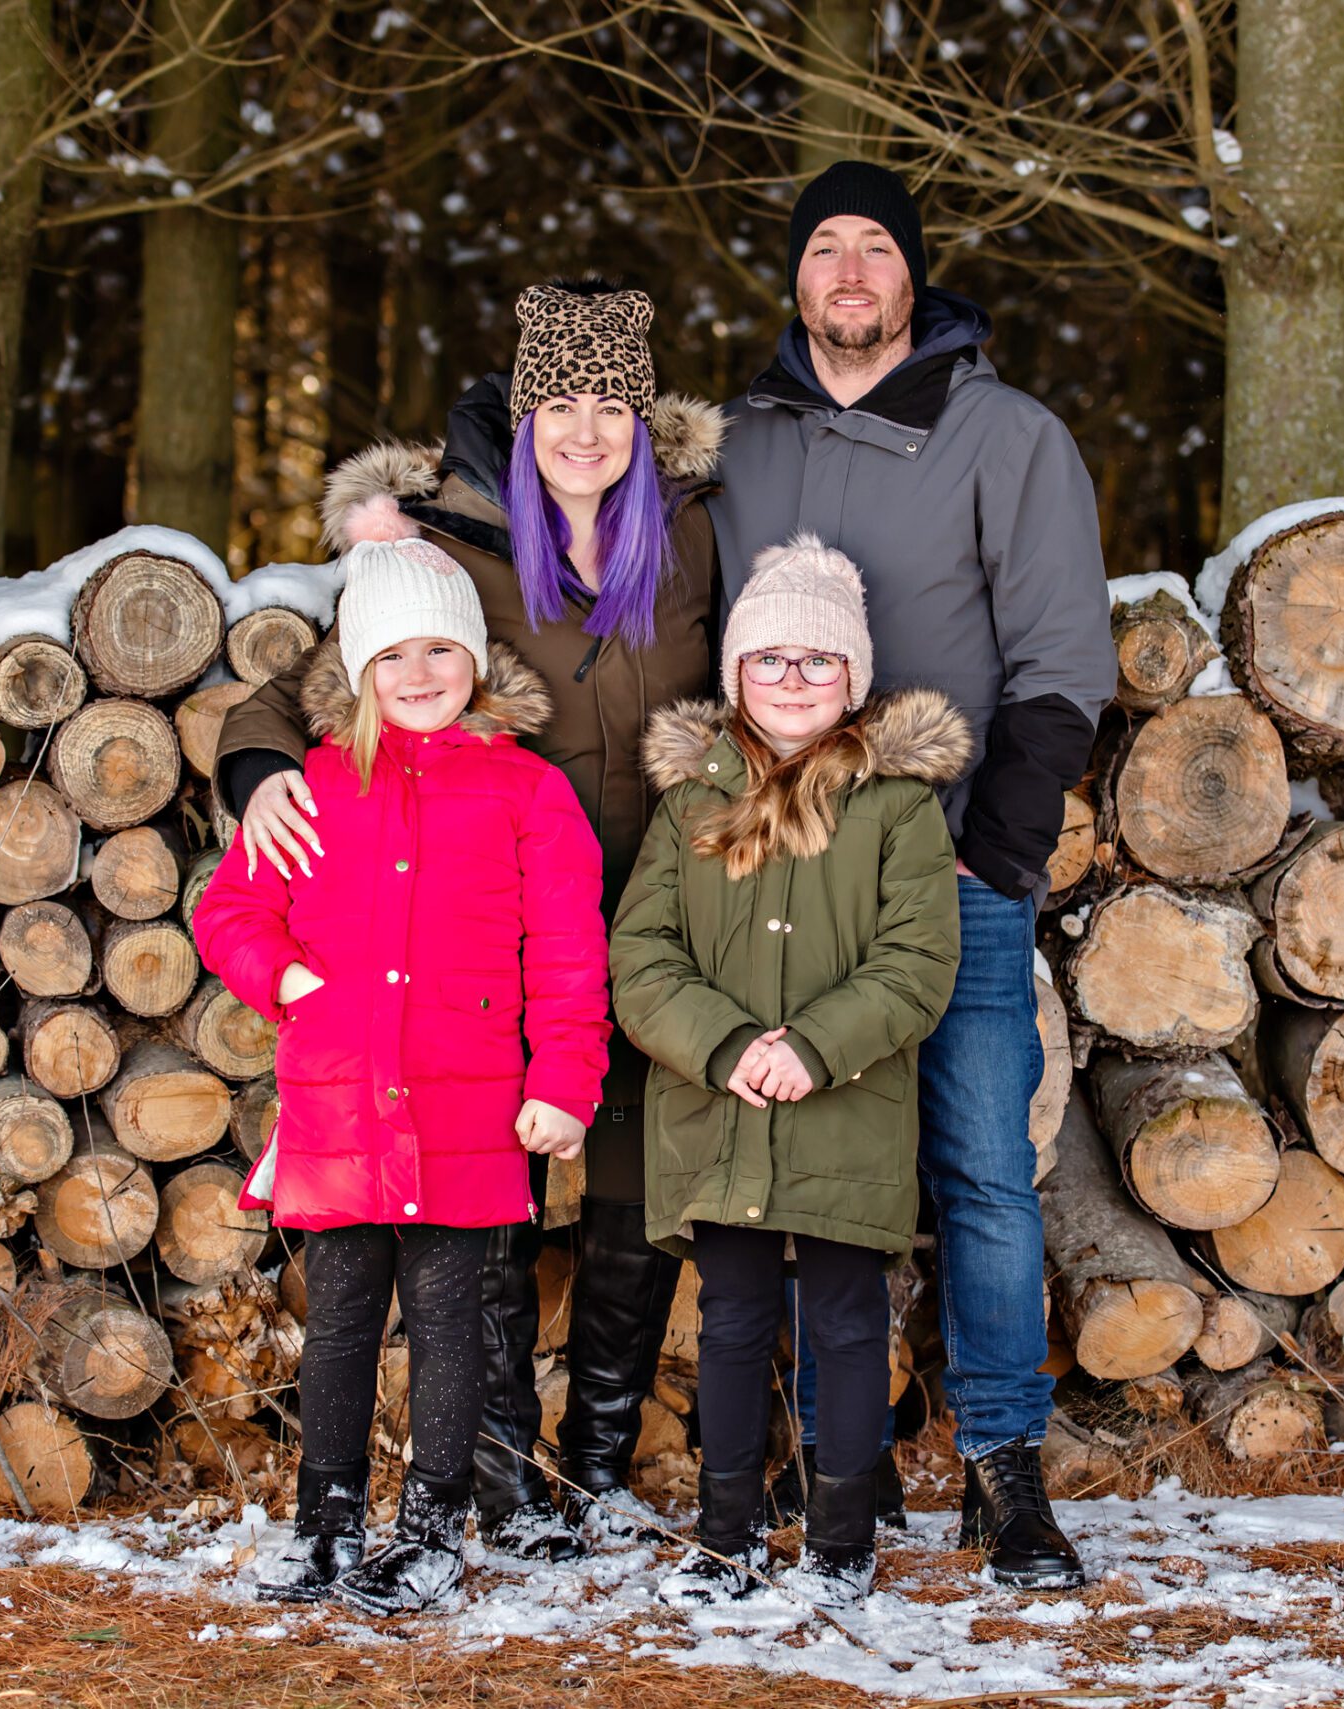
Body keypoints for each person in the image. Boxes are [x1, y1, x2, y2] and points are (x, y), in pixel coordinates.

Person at [212, 281, 723, 1557]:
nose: (586, 430)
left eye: (613, 403)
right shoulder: (459, 545)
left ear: (645, 421)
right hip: (480, 920)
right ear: (525, 413)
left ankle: (598, 1453)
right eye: (560, 402)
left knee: (630, 1188)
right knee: (473, 1193)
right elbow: (308, 687)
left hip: (658, 910)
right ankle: (493, 1463)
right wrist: (262, 767)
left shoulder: (699, 536)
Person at [706, 161, 1117, 1589]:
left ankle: (1007, 1471)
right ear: (799, 278)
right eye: (826, 246)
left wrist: (991, 852)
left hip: (949, 872)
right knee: (814, 1182)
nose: (852, 271)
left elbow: (1065, 664)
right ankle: (842, 1467)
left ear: (914, 276)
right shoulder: (743, 442)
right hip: (784, 876)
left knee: (983, 1174)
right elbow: (572, 501)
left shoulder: (1006, 436)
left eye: (877, 246)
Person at [191, 525, 612, 1614]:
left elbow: (569, 952)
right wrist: (283, 981)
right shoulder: (314, 786)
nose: (419, 675)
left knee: (450, 1321)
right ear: (358, 670)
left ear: (474, 659)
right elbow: (231, 908)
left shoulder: (528, 792)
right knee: (337, 1319)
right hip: (339, 1099)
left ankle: (430, 1525)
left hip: (469, 1101)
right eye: (392, 656)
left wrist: (563, 1082)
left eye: (439, 651)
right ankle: (323, 1521)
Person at [612, 536, 963, 1606]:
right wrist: (728, 1046)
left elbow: (916, 962)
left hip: (844, 1111)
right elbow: (642, 955)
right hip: (718, 1112)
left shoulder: (897, 809)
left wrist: (814, 1045)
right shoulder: (687, 807)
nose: (793, 680)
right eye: (770, 659)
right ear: (734, 675)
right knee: (729, 1316)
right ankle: (724, 1532)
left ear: (853, 677)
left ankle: (842, 1535)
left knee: (848, 1320)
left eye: (818, 660)